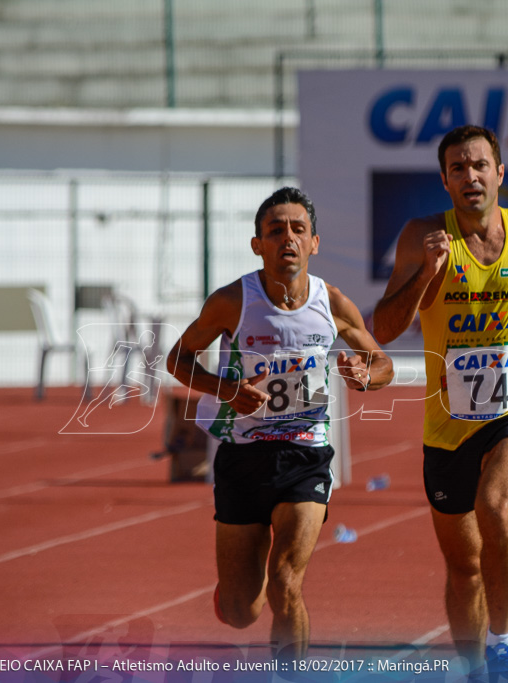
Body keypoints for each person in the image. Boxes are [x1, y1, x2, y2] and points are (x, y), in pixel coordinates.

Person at [372, 125, 508, 678]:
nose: (470, 176)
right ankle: (474, 668)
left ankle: (503, 642)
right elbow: (386, 326)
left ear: (499, 172)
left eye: (479, 165)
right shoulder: (422, 236)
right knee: (464, 566)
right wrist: (427, 272)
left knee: (496, 508)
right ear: (444, 180)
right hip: (448, 423)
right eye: (458, 168)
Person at [166, 187, 393, 658]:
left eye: (297, 229)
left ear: (314, 243)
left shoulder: (331, 302)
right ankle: (234, 591)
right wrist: (227, 390)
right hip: (242, 457)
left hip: (305, 455)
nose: (286, 238)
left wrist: (364, 376)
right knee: (241, 610)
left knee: (287, 582)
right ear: (258, 244)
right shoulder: (232, 301)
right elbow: (178, 359)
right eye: (275, 230)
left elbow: (383, 364)